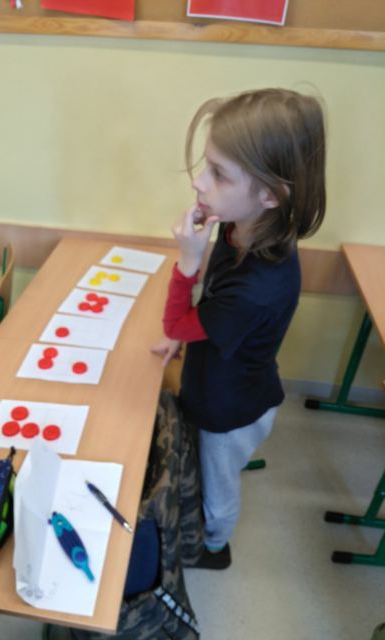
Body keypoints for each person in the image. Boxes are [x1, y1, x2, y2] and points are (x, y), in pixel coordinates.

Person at [152, 88, 326, 569]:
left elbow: (181, 319)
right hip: (226, 385)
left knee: (218, 488)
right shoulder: (244, 226)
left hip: (230, 412)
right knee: (212, 466)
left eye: (218, 174)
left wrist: (187, 262)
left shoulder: (257, 288)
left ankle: (214, 547)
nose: (198, 182)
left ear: (271, 194)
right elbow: (205, 312)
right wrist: (182, 336)